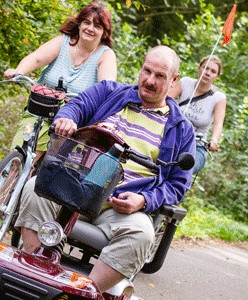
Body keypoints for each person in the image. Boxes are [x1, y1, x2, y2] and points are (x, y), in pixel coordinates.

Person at [14, 46, 195, 292]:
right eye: (147, 71)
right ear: (141, 69)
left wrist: (143, 200)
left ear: (173, 80)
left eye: (160, 76)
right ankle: (35, 276)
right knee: (36, 186)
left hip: (119, 207)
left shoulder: (182, 129)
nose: (149, 80)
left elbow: (177, 185)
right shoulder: (109, 92)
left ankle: (81, 293)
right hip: (73, 183)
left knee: (142, 234)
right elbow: (77, 105)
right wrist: (68, 118)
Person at [3, 1, 117, 163]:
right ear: (79, 24)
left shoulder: (105, 55)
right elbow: (36, 59)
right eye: (87, 22)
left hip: (73, 121)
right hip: (41, 108)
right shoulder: (63, 42)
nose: (90, 28)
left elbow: (106, 89)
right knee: (18, 154)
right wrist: (18, 72)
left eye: (97, 26)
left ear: (105, 32)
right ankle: (9, 182)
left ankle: (23, 179)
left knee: (43, 163)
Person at [167, 55, 226, 175]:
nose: (208, 73)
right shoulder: (185, 83)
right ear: (199, 68)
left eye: (213, 71)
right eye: (205, 68)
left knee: (184, 170)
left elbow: (218, 123)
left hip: (196, 146)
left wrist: (214, 140)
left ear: (216, 76)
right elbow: (164, 101)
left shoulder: (218, 98)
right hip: (172, 137)